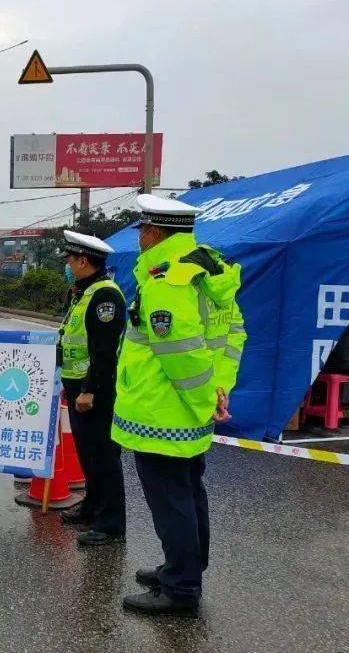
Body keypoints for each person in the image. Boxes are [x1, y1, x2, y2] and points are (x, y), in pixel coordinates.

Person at [113, 195, 244, 616]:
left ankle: (181, 588)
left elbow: (182, 354)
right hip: (193, 409)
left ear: (153, 233)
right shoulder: (210, 270)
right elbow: (232, 335)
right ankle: (185, 566)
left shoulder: (168, 282)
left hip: (164, 412)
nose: (141, 239)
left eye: (142, 232)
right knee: (188, 493)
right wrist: (218, 392)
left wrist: (207, 398)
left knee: (171, 500)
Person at [57, 230, 127, 547]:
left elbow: (104, 350)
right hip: (78, 386)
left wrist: (88, 390)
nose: (68, 265)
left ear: (84, 261)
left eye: (70, 259)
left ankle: (111, 524)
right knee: (88, 453)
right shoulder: (83, 292)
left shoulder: (105, 296)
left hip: (95, 391)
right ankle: (92, 507)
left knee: (103, 456)